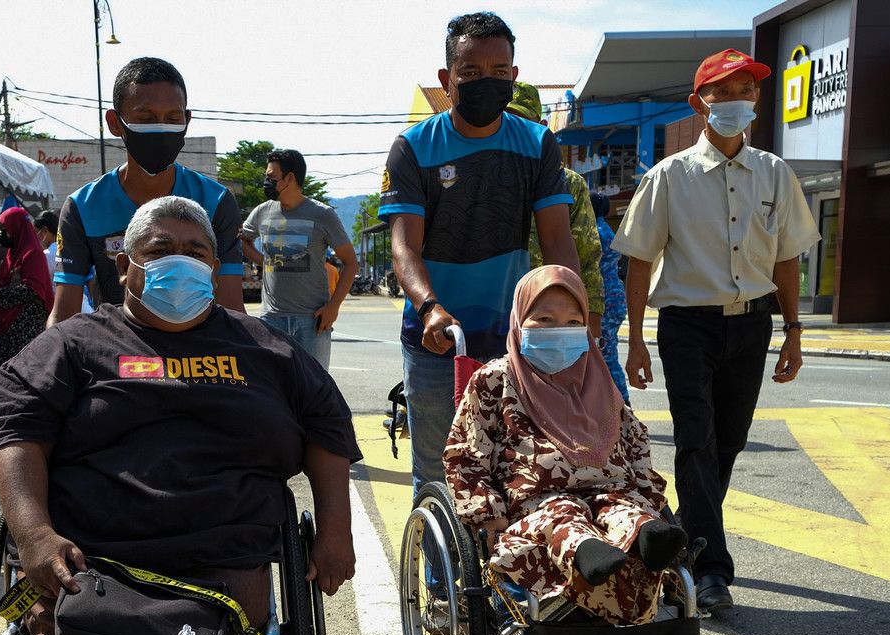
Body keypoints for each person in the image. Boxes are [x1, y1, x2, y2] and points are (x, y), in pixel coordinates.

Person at [0, 195, 360, 635]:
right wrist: (31, 532)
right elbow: (16, 429)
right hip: (92, 562)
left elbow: (328, 428)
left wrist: (335, 528)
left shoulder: (264, 349)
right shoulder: (74, 345)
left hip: (223, 562)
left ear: (215, 265)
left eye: (195, 251)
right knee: (54, 608)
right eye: (160, 251)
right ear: (125, 263)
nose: (179, 262)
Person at [610, 49, 820, 612]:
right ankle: (710, 569)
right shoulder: (667, 178)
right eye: (721, 92)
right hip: (687, 327)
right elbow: (636, 260)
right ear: (698, 103)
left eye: (744, 90)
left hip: (752, 326)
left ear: (757, 100)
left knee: (728, 442)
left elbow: (786, 261)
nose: (734, 102)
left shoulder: (775, 174)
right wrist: (634, 341)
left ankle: (683, 529)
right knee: (696, 441)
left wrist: (794, 330)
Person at [380, 11, 580, 498]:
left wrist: (572, 315)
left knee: (518, 464)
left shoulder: (536, 143)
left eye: (498, 72)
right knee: (438, 469)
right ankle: (435, 577)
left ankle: (499, 570)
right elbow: (405, 246)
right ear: (448, 80)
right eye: (470, 73)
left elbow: (556, 240)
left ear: (513, 75)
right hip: (436, 341)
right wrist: (430, 307)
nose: (485, 82)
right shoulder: (413, 148)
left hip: (514, 337)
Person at [444, 265, 685, 625]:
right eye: (544, 318)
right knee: (563, 518)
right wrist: (487, 512)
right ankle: (588, 553)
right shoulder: (495, 379)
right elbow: (466, 452)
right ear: (519, 321)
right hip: (537, 500)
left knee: (625, 513)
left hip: (611, 491)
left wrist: (646, 495)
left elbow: (634, 441)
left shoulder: (598, 377)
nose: (561, 330)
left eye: (574, 322)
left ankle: (647, 535)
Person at [48, 57, 244, 324]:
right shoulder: (83, 207)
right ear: (115, 123)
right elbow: (64, 312)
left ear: (187, 120)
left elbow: (232, 308)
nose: (161, 126)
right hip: (120, 355)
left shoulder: (216, 201)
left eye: (172, 117)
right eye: (146, 117)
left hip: (202, 357)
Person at [240, 149, 358, 369]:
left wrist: (334, 307)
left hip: (312, 321)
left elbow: (351, 263)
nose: (266, 181)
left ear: (290, 178)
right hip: (272, 319)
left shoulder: (322, 214)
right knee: (276, 389)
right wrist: (264, 260)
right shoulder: (262, 212)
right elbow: (242, 240)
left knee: (315, 390)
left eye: (271, 177)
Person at [505, 81, 605, 336]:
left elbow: (588, 256)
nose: (513, 130)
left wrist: (590, 322)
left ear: (541, 127)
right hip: (493, 312)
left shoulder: (569, 183)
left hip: (549, 318)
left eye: (523, 122)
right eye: (506, 121)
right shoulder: (479, 178)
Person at [0, 208, 53, 367]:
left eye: (5, 230)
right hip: (7, 331)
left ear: (17, 228)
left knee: (19, 379)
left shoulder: (32, 254)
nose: (1, 234)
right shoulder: (13, 254)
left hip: (24, 331)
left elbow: (33, 291)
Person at [591, 191, 630, 401]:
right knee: (607, 354)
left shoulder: (595, 232)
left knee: (606, 356)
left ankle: (622, 404)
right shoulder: (605, 229)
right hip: (613, 298)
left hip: (604, 301)